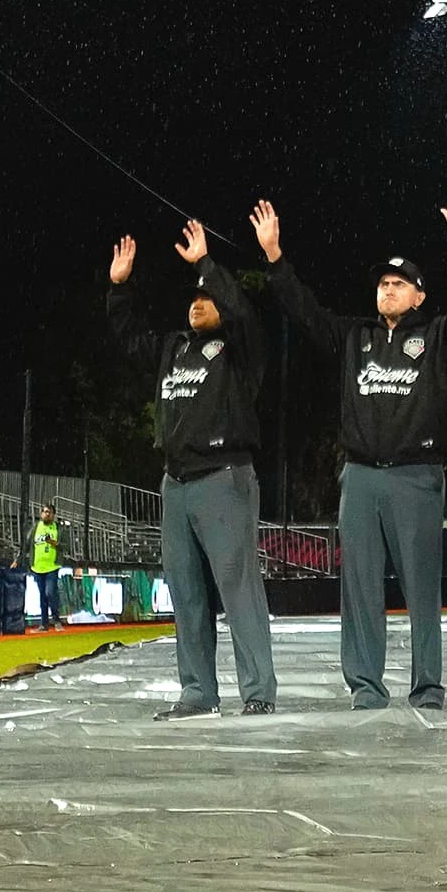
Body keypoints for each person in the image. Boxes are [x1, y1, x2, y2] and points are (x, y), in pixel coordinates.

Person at [252, 187, 447, 710]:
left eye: (400, 283)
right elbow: (304, 310)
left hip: (416, 475)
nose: (389, 289)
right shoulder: (354, 337)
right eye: (383, 283)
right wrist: (274, 258)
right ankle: (366, 687)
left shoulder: (438, 337)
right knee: (358, 590)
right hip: (359, 477)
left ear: (420, 296)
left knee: (422, 590)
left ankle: (427, 688)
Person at [106, 219, 278, 719]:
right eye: (192, 298)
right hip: (176, 483)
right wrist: (119, 289)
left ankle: (259, 691)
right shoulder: (174, 348)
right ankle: (198, 691)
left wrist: (206, 263)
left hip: (224, 476)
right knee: (186, 594)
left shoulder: (241, 349)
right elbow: (129, 339)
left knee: (237, 588)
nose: (197, 302)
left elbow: (242, 311)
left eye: (207, 297)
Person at [26, 504, 66, 631]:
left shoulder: (58, 528)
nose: (46, 514)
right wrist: (18, 559)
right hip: (37, 567)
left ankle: (56, 620)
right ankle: (44, 624)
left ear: (54, 514)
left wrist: (53, 542)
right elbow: (27, 544)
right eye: (44, 512)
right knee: (42, 595)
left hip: (52, 566)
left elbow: (65, 546)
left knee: (50, 593)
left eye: (49, 512)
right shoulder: (36, 527)